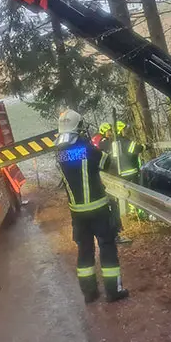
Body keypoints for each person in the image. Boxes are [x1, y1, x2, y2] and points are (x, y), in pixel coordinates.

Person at [55, 109, 129, 303]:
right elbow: (106, 163)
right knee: (107, 247)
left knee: (85, 252)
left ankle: (89, 293)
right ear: (77, 127)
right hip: (98, 209)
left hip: (77, 214)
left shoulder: (59, 153)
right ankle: (113, 291)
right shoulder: (86, 148)